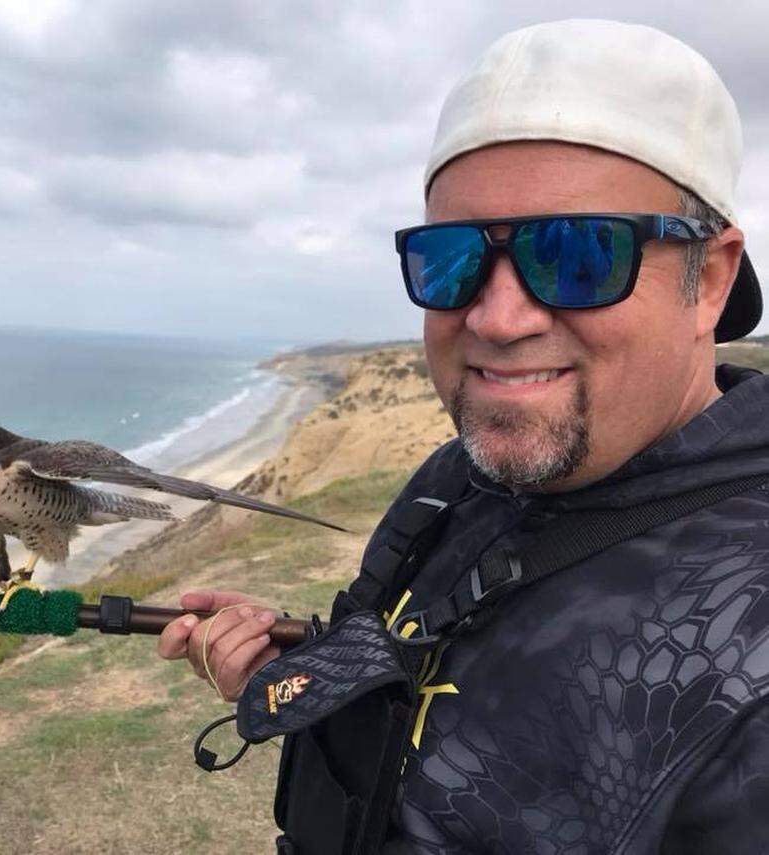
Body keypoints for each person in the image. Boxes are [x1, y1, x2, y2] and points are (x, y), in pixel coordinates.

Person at [157, 19, 769, 854]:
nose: (496, 316)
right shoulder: (459, 479)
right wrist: (298, 670)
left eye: (579, 253)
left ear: (712, 278)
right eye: (454, 259)